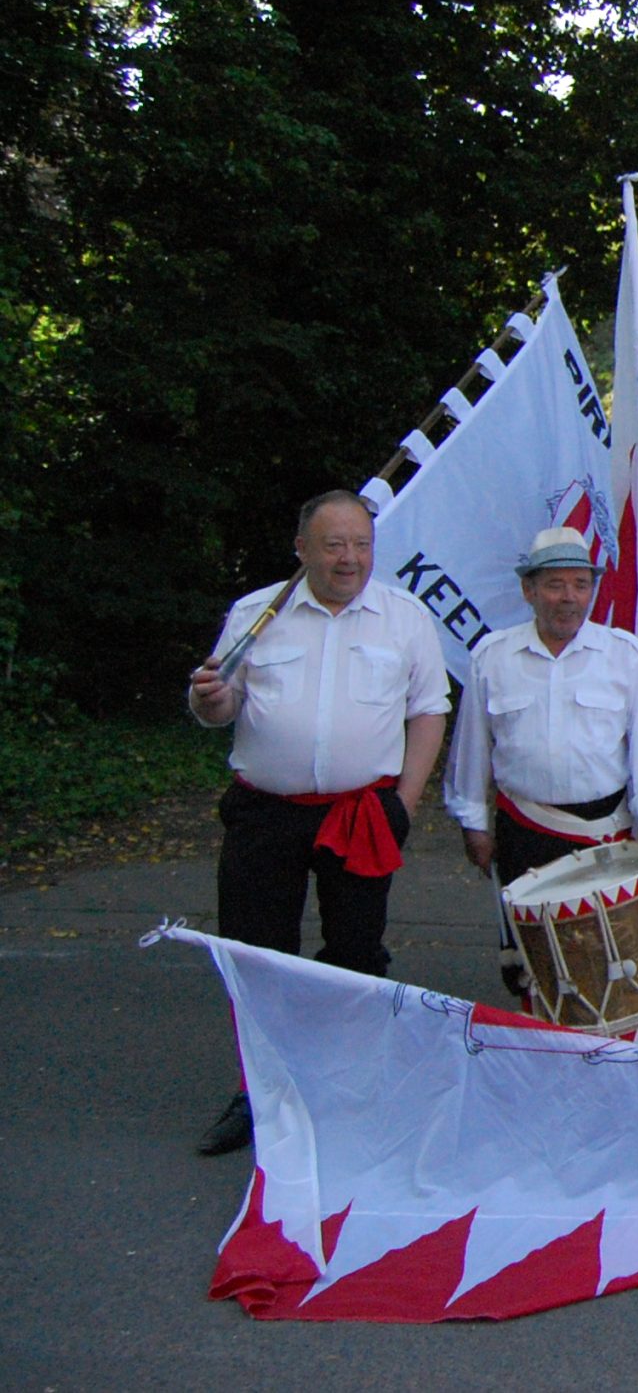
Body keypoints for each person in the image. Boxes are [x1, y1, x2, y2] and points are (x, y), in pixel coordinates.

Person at [183, 490, 449, 1155]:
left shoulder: (404, 617)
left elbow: (429, 709)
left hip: (362, 813)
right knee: (258, 956)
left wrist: (404, 803)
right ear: (301, 550)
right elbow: (221, 705)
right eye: (333, 545)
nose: (350, 558)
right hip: (264, 814)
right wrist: (206, 700)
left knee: (356, 957)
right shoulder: (255, 614)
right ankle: (260, 1095)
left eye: (361, 544)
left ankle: (345, 1094)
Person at [444, 526, 638, 1001]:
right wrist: (473, 823)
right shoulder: (492, 657)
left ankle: (606, 1065)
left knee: (612, 965)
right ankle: (543, 1062)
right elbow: (471, 748)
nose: (569, 598)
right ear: (529, 590)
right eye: (554, 585)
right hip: (524, 833)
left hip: (607, 834)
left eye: (580, 584)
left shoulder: (624, 654)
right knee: (535, 969)